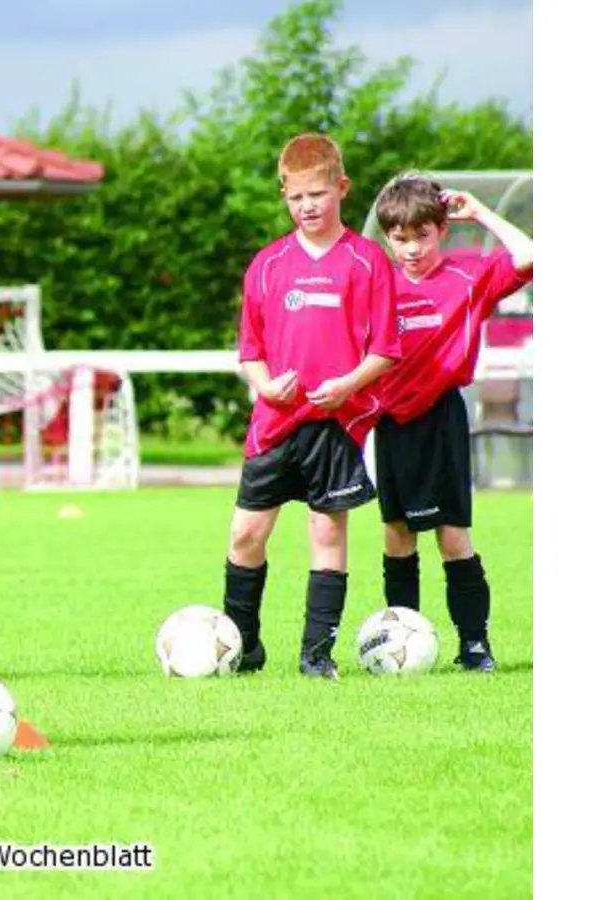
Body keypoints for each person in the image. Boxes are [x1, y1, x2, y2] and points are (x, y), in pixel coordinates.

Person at [220, 133, 401, 680]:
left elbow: (386, 349)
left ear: (341, 188)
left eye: (318, 195)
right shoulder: (269, 264)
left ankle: (316, 655)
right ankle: (242, 647)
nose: (308, 207)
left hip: (337, 424)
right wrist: (266, 384)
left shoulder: (367, 262)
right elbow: (250, 350)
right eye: (297, 198)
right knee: (246, 534)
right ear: (284, 195)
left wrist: (348, 384)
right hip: (275, 423)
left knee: (327, 534)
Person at [369, 172, 534, 672]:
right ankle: (404, 641)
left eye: (422, 235)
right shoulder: (377, 282)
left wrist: (480, 212)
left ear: (442, 229)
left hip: (441, 416)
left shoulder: (469, 275)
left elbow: (530, 256)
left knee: (452, 535)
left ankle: (474, 645)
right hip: (390, 420)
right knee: (396, 533)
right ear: (387, 238)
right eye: (400, 238)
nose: (412, 248)